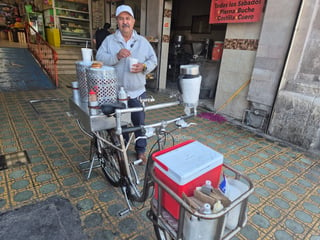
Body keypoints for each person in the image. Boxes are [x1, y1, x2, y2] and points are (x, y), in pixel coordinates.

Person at [96, 5, 157, 163]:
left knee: (139, 123)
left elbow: (153, 60)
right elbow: (100, 58)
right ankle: (121, 149)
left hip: (137, 91)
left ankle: (140, 151)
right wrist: (116, 56)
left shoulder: (142, 41)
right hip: (116, 91)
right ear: (117, 21)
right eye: (121, 19)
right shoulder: (110, 41)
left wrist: (144, 67)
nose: (125, 22)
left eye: (127, 18)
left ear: (133, 21)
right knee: (120, 124)